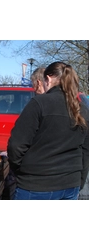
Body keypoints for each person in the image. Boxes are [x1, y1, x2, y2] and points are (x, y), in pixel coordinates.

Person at [7, 61, 89, 200]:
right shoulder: (82, 109)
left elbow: (16, 145)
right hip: (70, 184)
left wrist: (21, 171)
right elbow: (85, 151)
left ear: (48, 79)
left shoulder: (39, 103)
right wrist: (79, 180)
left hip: (37, 184)